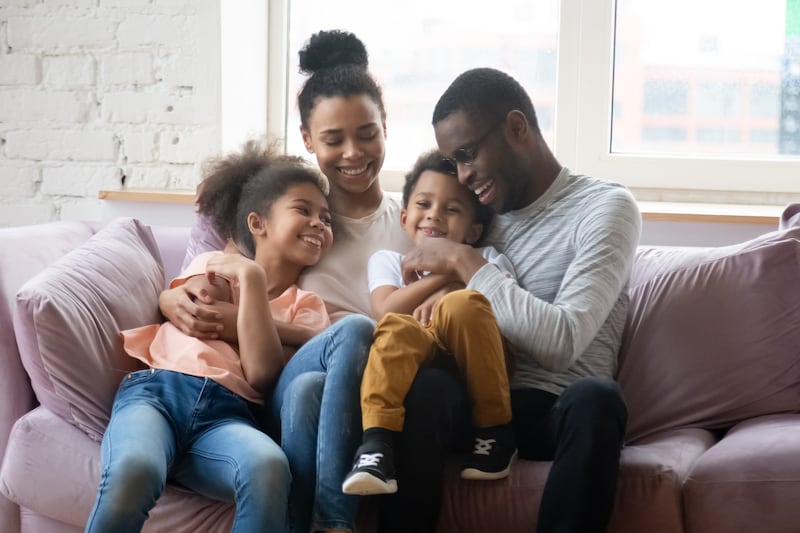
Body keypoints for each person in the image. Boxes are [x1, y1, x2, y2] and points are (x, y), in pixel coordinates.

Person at [158, 30, 420, 533]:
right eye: (332, 139)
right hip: (282, 383)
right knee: (306, 387)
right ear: (307, 140)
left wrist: (245, 323)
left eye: (367, 133)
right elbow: (208, 274)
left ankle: (320, 520)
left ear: (386, 127)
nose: (353, 152)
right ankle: (330, 520)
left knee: (317, 381)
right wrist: (170, 296)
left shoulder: (406, 222)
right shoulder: (292, 215)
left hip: (375, 386)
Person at [393, 67, 642, 533]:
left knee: (598, 399)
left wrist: (465, 262)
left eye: (467, 155)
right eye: (455, 162)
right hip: (478, 403)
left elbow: (561, 342)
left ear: (516, 128)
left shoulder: (605, 208)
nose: (463, 177)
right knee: (426, 389)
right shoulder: (475, 215)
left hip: (556, 408)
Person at [85, 142, 334, 533]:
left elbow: (262, 373)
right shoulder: (214, 267)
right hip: (159, 394)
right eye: (304, 210)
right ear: (257, 223)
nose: (320, 223)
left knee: (268, 465)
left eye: (327, 218)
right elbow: (202, 310)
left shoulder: (307, 305)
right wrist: (262, 313)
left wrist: (252, 281)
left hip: (227, 418)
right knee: (135, 470)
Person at [342, 149, 517, 496]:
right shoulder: (390, 260)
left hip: (474, 370)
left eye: (452, 209)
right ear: (405, 218)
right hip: (417, 370)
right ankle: (377, 444)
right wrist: (448, 271)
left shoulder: (488, 260)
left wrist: (458, 275)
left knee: (463, 304)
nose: (434, 216)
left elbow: (501, 311)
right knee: (397, 329)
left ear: (473, 230)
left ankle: (495, 430)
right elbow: (387, 310)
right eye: (424, 205)